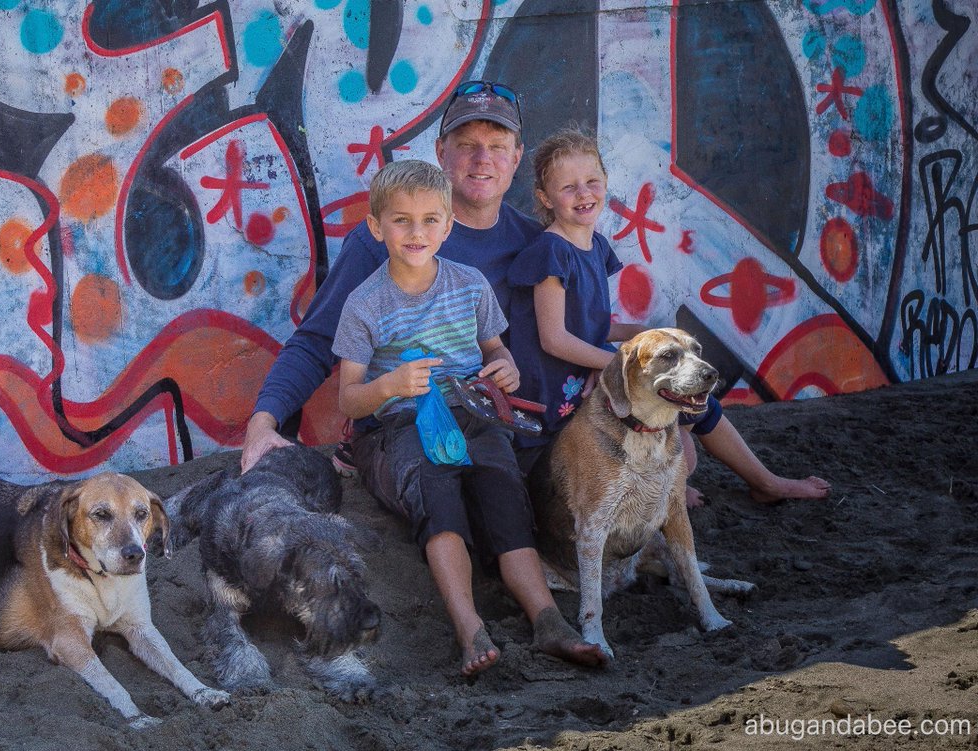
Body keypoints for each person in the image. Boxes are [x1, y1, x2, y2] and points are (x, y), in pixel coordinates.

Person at [333, 159, 605, 676]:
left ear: (449, 223)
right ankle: (468, 625)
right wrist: (388, 387)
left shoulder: (469, 283)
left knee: (502, 487)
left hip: (473, 411)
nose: (417, 232)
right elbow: (348, 400)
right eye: (401, 220)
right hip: (400, 425)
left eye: (431, 220)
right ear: (375, 227)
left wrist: (504, 371)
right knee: (436, 491)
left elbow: (496, 351)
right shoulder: (363, 303)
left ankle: (547, 618)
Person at [507, 128, 831, 506]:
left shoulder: (594, 245)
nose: (583, 194)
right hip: (559, 397)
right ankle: (758, 484)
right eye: (568, 187)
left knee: (687, 413)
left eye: (591, 181)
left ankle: (734, 482)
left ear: (606, 182)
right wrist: (623, 364)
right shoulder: (551, 253)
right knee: (681, 405)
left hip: (590, 375)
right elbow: (555, 339)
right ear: (545, 198)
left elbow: (590, 325)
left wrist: (643, 333)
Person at [242, 81, 540, 472]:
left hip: (496, 436)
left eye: (498, 146)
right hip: (402, 441)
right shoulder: (383, 240)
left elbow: (547, 336)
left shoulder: (535, 243)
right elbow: (317, 339)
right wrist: (263, 424)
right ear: (440, 153)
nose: (482, 158)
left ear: (516, 157)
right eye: (466, 144)